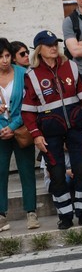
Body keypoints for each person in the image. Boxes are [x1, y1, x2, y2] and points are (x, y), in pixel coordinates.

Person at [22, 29, 82, 230]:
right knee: (56, 174)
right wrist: (36, 135)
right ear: (39, 50)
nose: (54, 47)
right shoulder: (32, 75)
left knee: (81, 170)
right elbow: (27, 110)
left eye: (55, 43)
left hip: (76, 126)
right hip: (49, 131)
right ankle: (65, 215)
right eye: (48, 44)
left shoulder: (71, 66)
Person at [0, 38, 39, 231]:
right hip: (0, 133)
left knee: (27, 171)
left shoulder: (24, 74)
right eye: (0, 57)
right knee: (0, 173)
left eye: (7, 56)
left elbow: (29, 104)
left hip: (22, 129)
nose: (4, 60)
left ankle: (31, 212)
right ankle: (1, 215)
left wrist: (13, 126)